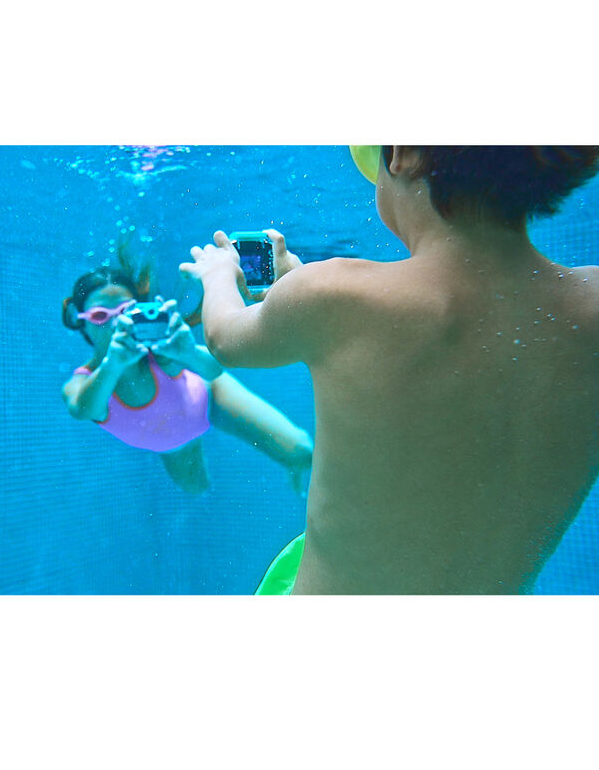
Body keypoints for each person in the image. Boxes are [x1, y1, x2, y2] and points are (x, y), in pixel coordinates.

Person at [180, 146, 599, 594]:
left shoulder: (331, 294)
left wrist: (218, 274)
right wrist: (301, 295)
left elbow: (224, 338)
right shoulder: (589, 311)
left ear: (401, 153)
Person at [60, 251, 313, 495]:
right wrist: (113, 365)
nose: (115, 324)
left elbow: (215, 369)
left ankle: (292, 461)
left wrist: (188, 352)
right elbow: (82, 409)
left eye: (125, 311)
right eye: (100, 316)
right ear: (82, 322)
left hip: (211, 396)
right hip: (175, 441)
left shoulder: (159, 353)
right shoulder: (83, 381)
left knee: (302, 451)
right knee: (197, 488)